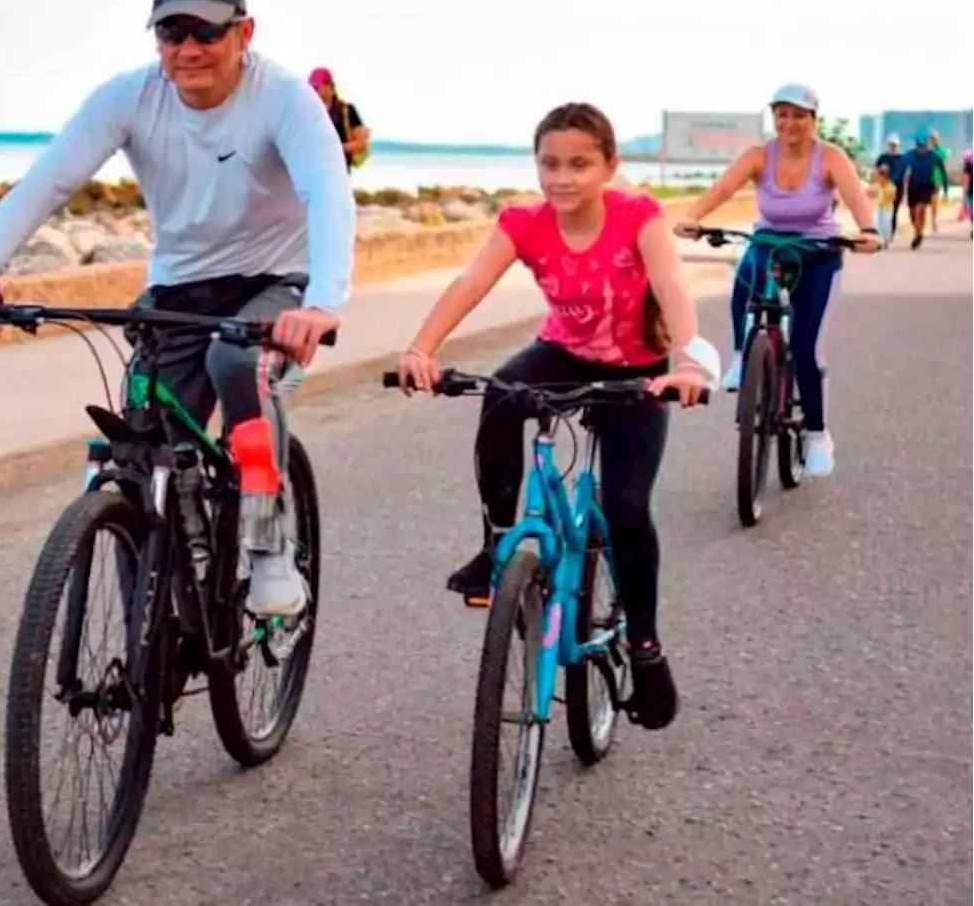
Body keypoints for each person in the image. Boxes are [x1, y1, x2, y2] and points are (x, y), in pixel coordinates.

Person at [0, 0, 356, 619]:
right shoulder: (130, 96)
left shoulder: (284, 99)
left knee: (234, 362)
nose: (187, 49)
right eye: (171, 33)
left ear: (244, 34)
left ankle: (267, 542)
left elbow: (328, 195)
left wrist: (324, 302)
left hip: (278, 278)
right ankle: (151, 630)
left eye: (206, 33)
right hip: (180, 286)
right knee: (144, 441)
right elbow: (50, 179)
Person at [394, 101, 720, 731]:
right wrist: (421, 349)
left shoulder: (640, 217)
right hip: (564, 354)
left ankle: (646, 648)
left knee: (626, 510)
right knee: (501, 396)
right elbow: (469, 283)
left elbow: (674, 290)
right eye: (549, 164)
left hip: (636, 371)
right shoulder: (524, 222)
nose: (562, 178)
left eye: (579, 164)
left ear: (609, 167)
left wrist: (686, 364)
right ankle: (496, 546)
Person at [673, 84, 882, 479]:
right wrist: (694, 217)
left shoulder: (830, 157)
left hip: (818, 252)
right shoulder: (758, 156)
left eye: (799, 115)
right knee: (747, 269)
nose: (789, 123)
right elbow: (722, 188)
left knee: (806, 347)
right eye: (782, 114)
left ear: (813, 120)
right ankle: (741, 357)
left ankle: (817, 436)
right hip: (770, 243)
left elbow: (855, 197)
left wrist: (868, 230)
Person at [308, 67, 370, 171]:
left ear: (329, 86)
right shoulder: (310, 113)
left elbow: (361, 144)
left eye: (316, 87)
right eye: (311, 88)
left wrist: (334, 149)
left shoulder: (347, 110)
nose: (313, 91)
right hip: (317, 171)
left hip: (340, 172)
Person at [901, 131, 945, 250]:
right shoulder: (909, 155)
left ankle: (918, 233)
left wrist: (943, 186)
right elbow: (902, 168)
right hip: (912, 185)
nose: (921, 148)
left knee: (921, 208)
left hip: (927, 185)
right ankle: (917, 230)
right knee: (912, 212)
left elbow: (941, 170)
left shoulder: (934, 155)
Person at [874, 133, 906, 237]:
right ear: (888, 145)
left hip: (897, 188)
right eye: (891, 144)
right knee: (882, 210)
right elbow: (876, 170)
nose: (893, 147)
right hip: (884, 188)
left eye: (895, 145)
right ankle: (882, 233)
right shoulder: (883, 158)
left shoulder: (902, 158)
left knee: (894, 211)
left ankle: (890, 233)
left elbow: (905, 173)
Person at [927, 130, 950, 234]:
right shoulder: (927, 150)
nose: (933, 140)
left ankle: (934, 220)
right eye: (931, 138)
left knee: (934, 200)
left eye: (934, 138)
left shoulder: (941, 151)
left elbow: (944, 165)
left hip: (936, 179)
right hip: (925, 178)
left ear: (938, 139)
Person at [873, 164, 896, 248]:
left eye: (884, 174)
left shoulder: (891, 187)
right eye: (881, 174)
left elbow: (891, 197)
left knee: (886, 224)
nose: (882, 177)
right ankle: (880, 240)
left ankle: (886, 240)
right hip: (879, 208)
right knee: (878, 224)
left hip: (887, 208)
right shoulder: (877, 185)